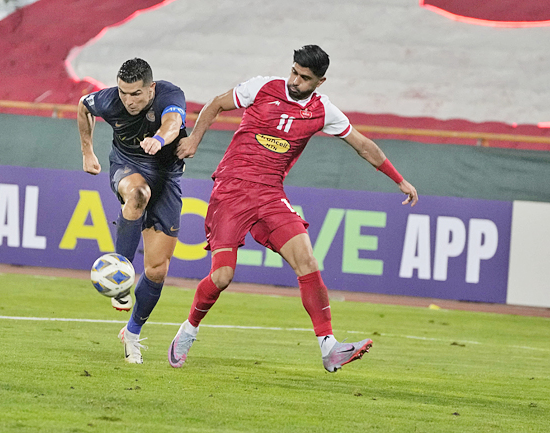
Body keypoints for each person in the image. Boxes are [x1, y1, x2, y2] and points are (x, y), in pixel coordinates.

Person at [168, 45, 418, 372]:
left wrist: (399, 180)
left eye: (305, 78)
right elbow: (216, 104)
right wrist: (195, 140)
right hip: (232, 188)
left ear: (321, 81)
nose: (295, 81)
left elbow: (363, 146)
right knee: (223, 276)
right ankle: (188, 331)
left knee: (307, 260)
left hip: (271, 194)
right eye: (294, 72)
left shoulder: (323, 111)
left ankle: (329, 347)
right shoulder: (262, 87)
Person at [78, 58, 187, 364]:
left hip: (166, 178)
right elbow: (83, 107)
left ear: (151, 88)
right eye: (124, 93)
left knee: (157, 270)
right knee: (137, 194)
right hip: (129, 167)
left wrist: (159, 139)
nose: (128, 100)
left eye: (136, 94)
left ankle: (133, 333)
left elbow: (173, 123)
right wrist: (88, 151)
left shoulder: (169, 94)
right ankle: (120, 276)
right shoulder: (109, 100)